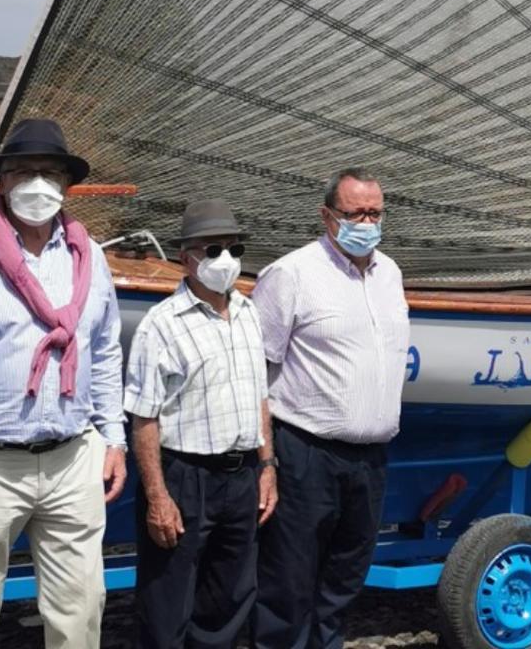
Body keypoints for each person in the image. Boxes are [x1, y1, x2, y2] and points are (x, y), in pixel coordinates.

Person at [0, 119, 126, 648]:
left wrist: (114, 438)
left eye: (50, 173)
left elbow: (103, 349)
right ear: (2, 182)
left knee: (82, 609)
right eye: (25, 171)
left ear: (66, 186)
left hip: (71, 455)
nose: (38, 184)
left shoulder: (89, 257)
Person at [251, 168, 410, 648]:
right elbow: (255, 371)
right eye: (356, 212)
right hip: (306, 452)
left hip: (371, 458)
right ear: (327, 216)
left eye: (375, 212)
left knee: (345, 577)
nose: (367, 221)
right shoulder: (290, 274)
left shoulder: (391, 273)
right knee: (288, 581)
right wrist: (266, 462)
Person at [124, 199, 277, 648]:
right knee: (165, 604)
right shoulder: (161, 325)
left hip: (242, 474)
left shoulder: (249, 314)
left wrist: (267, 467)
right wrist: (157, 497)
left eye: (233, 248)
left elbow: (259, 396)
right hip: (184, 477)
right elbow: (144, 416)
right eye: (212, 250)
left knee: (229, 600)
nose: (225, 260)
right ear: (186, 258)